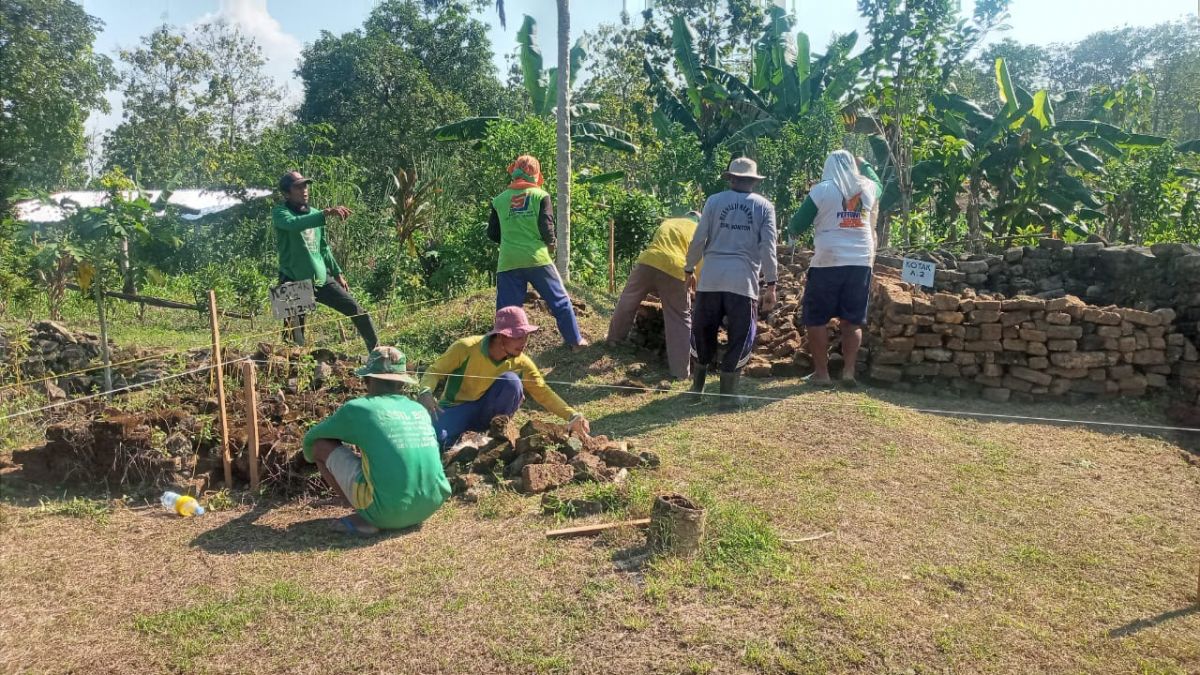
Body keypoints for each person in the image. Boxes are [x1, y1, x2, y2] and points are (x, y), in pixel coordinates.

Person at [303, 346, 450, 536]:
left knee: (320, 446)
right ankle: (390, 508)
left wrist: (308, 459)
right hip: (430, 505)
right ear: (402, 384)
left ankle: (365, 517)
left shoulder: (359, 409)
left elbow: (311, 440)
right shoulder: (418, 409)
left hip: (388, 513)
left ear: (367, 380)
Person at [417, 306, 591, 448]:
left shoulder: (521, 362)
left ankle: (494, 434)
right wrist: (425, 391)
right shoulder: (465, 348)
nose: (523, 342)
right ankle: (459, 440)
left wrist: (572, 415)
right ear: (501, 336)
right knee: (436, 441)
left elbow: (542, 391)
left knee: (512, 382)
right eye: (517, 336)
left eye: (526, 336)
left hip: (487, 413)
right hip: (456, 408)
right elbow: (434, 371)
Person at [684, 157, 778, 407]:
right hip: (742, 281)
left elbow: (699, 239)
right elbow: (768, 247)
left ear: (732, 178)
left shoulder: (714, 201)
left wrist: (689, 268)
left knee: (703, 332)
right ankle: (727, 395)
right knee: (741, 335)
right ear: (753, 181)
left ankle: (697, 389)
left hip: (711, 278)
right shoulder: (764, 206)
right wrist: (771, 284)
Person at [787, 151, 882, 387]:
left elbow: (797, 225)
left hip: (828, 262)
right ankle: (848, 372)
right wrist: (865, 163)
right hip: (860, 262)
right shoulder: (868, 187)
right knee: (852, 320)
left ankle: (822, 374)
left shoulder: (822, 190)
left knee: (816, 318)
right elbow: (879, 183)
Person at [488, 155, 589, 351]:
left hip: (508, 261)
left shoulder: (499, 200)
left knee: (507, 311)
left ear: (514, 172)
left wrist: (511, 241)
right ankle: (575, 341)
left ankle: (503, 350)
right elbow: (546, 226)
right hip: (537, 259)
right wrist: (551, 244)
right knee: (559, 301)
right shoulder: (540, 196)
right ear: (536, 174)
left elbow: (492, 233)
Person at [274, 170, 378, 352]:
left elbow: (323, 247)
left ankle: (378, 355)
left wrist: (337, 272)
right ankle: (293, 367)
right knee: (292, 338)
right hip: (292, 279)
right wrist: (325, 213)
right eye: (298, 187)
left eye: (305, 186)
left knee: (358, 312)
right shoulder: (280, 213)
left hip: (321, 278)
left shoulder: (315, 214)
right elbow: (293, 225)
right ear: (286, 193)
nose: (304, 190)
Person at [605, 211, 703, 380]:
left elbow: (660, 245)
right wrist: (696, 292)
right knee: (679, 318)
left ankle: (614, 339)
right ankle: (680, 372)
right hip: (676, 269)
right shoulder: (699, 232)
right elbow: (698, 267)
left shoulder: (669, 222)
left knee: (628, 300)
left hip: (648, 261)